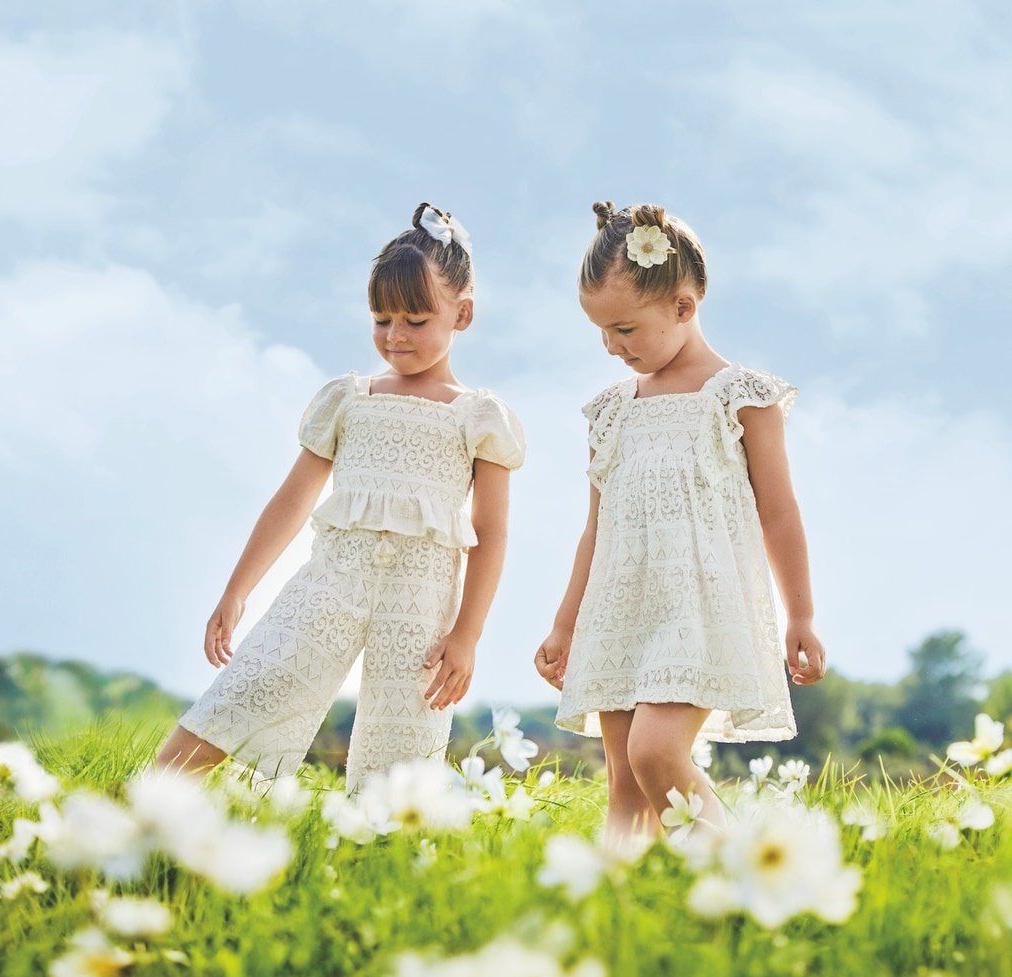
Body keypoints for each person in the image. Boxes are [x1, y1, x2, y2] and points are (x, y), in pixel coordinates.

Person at [155, 203, 526, 792]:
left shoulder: (480, 418)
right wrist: (237, 589)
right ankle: (146, 802)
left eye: (415, 319)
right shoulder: (349, 399)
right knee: (249, 688)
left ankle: (376, 857)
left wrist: (467, 634)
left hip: (422, 609)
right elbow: (292, 500)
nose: (395, 335)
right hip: (331, 584)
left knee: (399, 757)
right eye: (382, 319)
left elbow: (493, 534)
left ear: (463, 314)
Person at [535, 201, 824, 847]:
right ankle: (625, 917)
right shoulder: (611, 411)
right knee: (623, 784)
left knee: (655, 755)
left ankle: (737, 875)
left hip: (697, 608)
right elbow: (596, 528)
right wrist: (564, 622)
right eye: (601, 331)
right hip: (620, 609)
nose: (612, 346)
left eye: (626, 328)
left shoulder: (740, 396)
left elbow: (779, 511)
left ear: (684, 307)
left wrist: (799, 616)